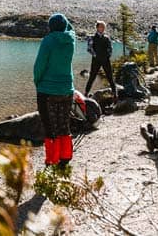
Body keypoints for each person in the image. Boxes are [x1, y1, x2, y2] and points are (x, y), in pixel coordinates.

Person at [34, 13, 76, 167]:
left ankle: (52, 160)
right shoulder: (71, 40)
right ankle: (65, 158)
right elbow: (70, 28)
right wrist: (66, 24)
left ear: (50, 26)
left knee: (50, 126)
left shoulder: (48, 40)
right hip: (67, 89)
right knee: (64, 124)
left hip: (47, 91)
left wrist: (37, 82)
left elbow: (39, 65)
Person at [84, 20, 118, 102]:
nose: (103, 28)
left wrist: (108, 55)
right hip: (96, 60)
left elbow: (110, 48)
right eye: (101, 27)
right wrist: (95, 55)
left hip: (106, 60)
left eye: (104, 27)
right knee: (92, 76)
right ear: (97, 28)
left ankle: (115, 94)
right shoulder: (92, 37)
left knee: (110, 76)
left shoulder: (107, 38)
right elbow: (89, 49)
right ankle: (86, 93)